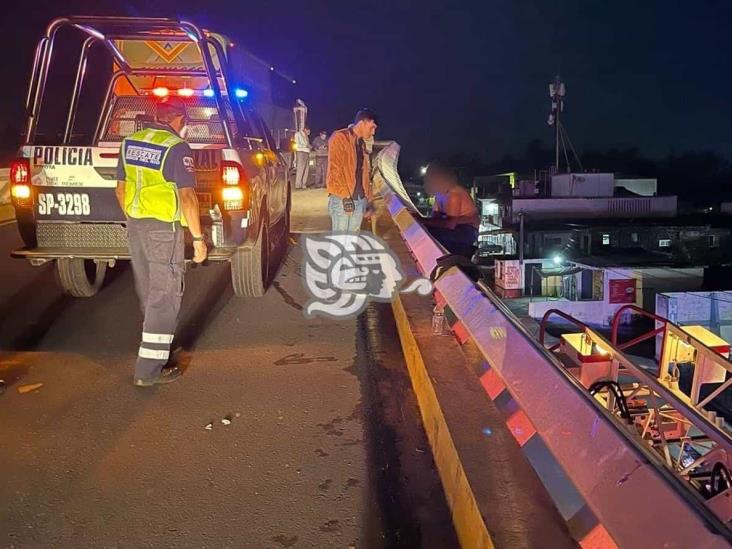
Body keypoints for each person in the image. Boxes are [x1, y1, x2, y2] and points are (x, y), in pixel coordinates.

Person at [115, 97, 207, 387]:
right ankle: (149, 370)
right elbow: (188, 198)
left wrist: (133, 215)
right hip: (163, 230)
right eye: (186, 123)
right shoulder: (176, 147)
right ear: (179, 120)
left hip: (136, 226)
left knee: (149, 291)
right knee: (164, 295)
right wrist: (199, 239)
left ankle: (157, 351)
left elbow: (120, 190)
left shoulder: (130, 142)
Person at [326, 109, 378, 232]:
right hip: (342, 199)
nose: (373, 132)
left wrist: (368, 200)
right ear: (362, 123)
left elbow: (365, 174)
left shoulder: (361, 144)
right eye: (372, 127)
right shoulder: (340, 138)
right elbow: (335, 171)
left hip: (359, 200)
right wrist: (345, 197)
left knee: (351, 243)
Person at [422, 162, 480, 257]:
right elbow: (436, 219)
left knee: (436, 236)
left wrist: (423, 220)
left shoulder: (454, 194)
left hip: (467, 231)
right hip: (457, 227)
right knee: (426, 231)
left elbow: (450, 224)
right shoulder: (439, 194)